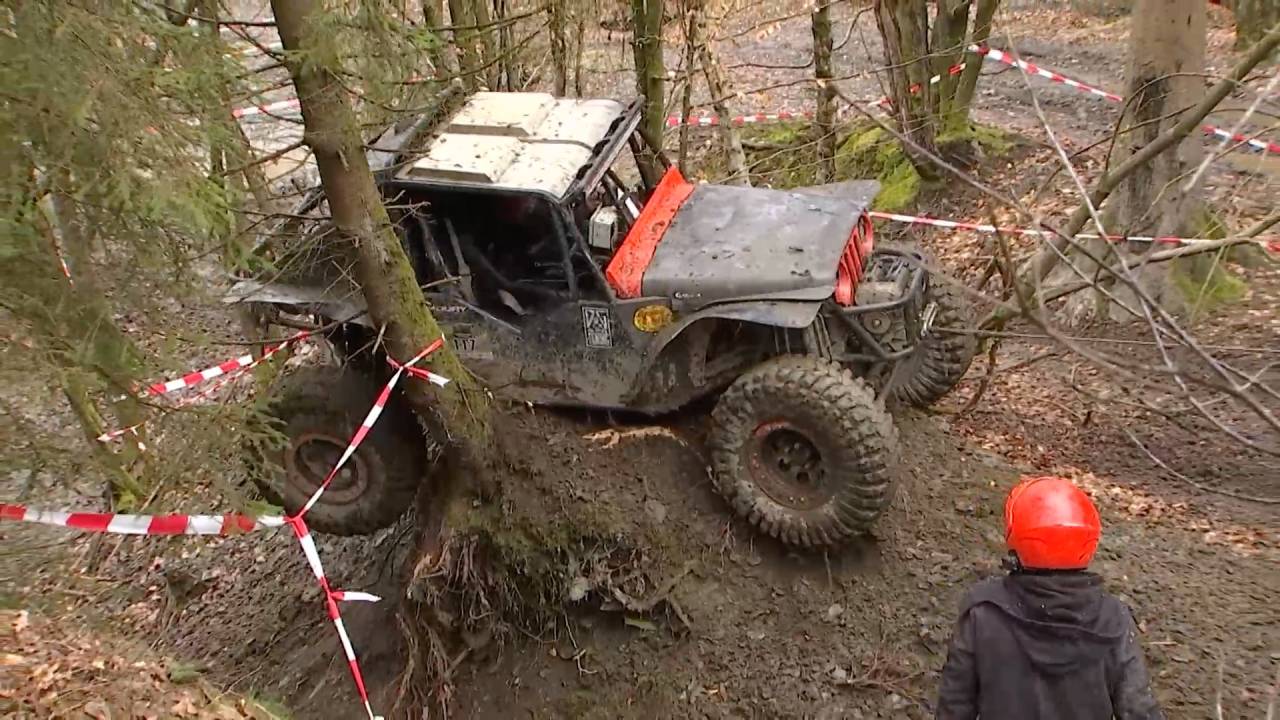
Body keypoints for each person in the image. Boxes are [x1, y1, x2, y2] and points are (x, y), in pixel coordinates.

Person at [935, 476, 1164, 720]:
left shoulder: (982, 611)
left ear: (1018, 537)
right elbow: (1137, 708)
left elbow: (954, 707)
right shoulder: (1112, 617)